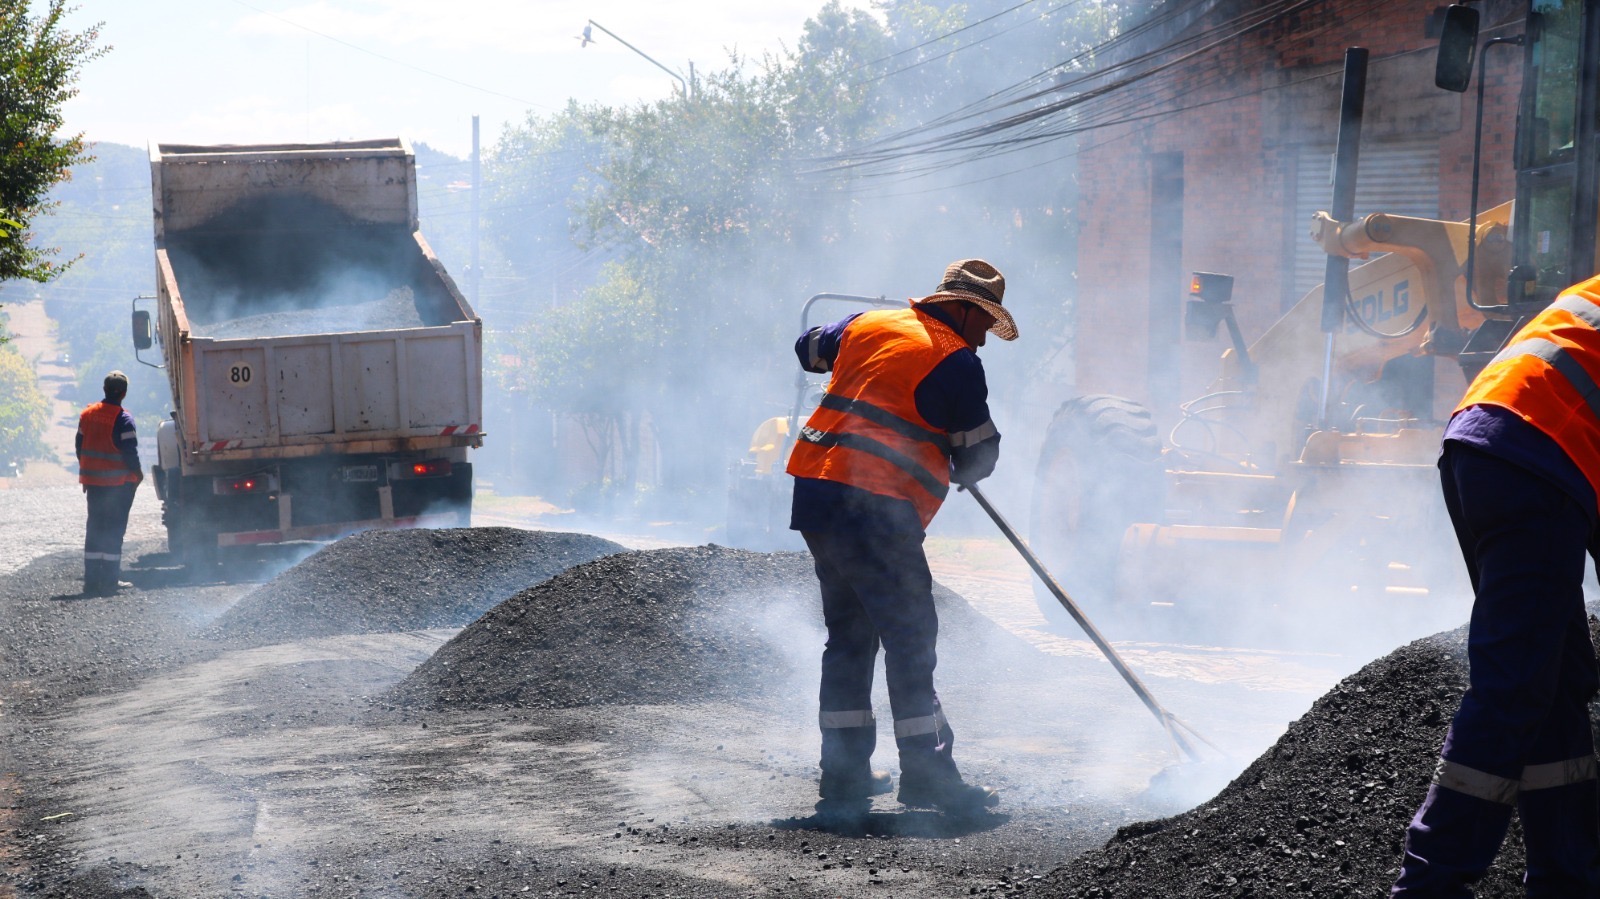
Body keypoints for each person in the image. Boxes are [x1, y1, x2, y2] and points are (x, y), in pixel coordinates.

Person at [1391, 274, 1600, 895]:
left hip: (1483, 446)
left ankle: (1567, 880)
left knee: (1554, 682)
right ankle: (1430, 885)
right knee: (1514, 687)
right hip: (1536, 459)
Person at [786, 258, 1017, 816]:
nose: (984, 339)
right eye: (984, 323)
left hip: (817, 496)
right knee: (911, 642)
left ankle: (843, 777)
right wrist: (963, 466)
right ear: (962, 310)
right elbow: (979, 451)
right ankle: (929, 776)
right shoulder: (956, 361)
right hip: (876, 508)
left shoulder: (866, 323)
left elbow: (807, 350)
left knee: (849, 638)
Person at [77, 370, 142, 597]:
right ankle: (110, 582)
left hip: (94, 484)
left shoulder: (87, 414)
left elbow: (80, 447)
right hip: (118, 485)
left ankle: (91, 582)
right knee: (114, 531)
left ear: (104, 390)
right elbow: (130, 453)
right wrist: (139, 475)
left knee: (95, 529)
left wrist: (89, 472)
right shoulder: (123, 419)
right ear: (123, 393)